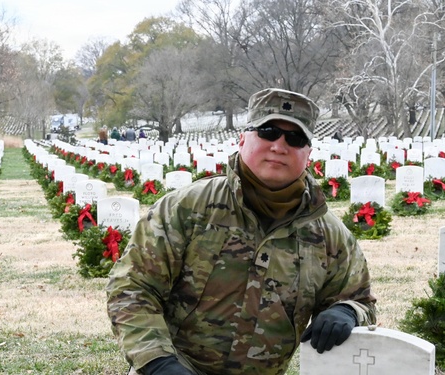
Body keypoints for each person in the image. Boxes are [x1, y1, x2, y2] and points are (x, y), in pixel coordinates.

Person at [106, 87, 377, 375]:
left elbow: (359, 301)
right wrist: (158, 361)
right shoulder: (186, 208)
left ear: (308, 153)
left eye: (295, 138)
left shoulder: (329, 235)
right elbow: (133, 288)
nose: (279, 146)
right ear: (243, 138)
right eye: (268, 131)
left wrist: (346, 311)